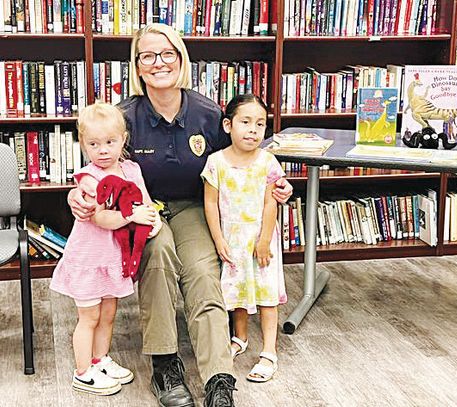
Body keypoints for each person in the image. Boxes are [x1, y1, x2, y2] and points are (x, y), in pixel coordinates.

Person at [67, 23, 292, 407]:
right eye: (148, 56)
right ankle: (165, 364)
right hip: (143, 212)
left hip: (193, 208)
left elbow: (242, 159)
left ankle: (219, 377)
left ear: (181, 59)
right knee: (158, 258)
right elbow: (97, 167)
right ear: (137, 67)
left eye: (167, 53)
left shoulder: (207, 113)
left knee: (203, 272)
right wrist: (77, 195)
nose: (159, 63)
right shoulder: (124, 118)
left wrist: (276, 185)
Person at [51, 103, 162, 396]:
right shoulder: (89, 178)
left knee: (109, 313)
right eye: (94, 144)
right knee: (89, 317)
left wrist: (152, 219)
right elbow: (100, 218)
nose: (102, 150)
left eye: (110, 142)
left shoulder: (131, 169)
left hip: (114, 258)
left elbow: (146, 202)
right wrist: (131, 216)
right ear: (83, 143)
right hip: (89, 258)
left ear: (123, 139)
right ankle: (83, 372)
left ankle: (100, 360)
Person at [202, 94, 287, 383]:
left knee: (266, 295)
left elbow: (270, 203)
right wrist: (218, 240)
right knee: (236, 292)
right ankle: (240, 337)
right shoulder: (215, 163)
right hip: (232, 240)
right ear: (228, 125)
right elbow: (210, 204)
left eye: (260, 124)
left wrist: (264, 240)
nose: (253, 130)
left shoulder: (268, 162)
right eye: (246, 122)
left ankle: (269, 351)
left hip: (261, 241)